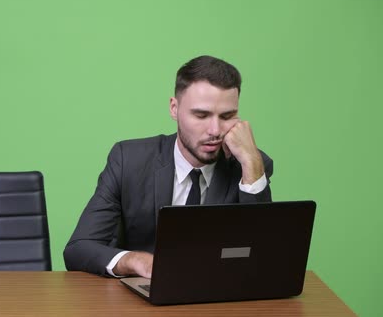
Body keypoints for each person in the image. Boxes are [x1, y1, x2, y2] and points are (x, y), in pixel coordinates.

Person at [63, 55, 273, 278]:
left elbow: (264, 261)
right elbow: (78, 249)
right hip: (143, 300)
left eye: (227, 116)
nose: (215, 130)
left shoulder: (251, 165)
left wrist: (251, 163)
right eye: (201, 115)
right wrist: (134, 260)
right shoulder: (129, 161)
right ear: (174, 108)